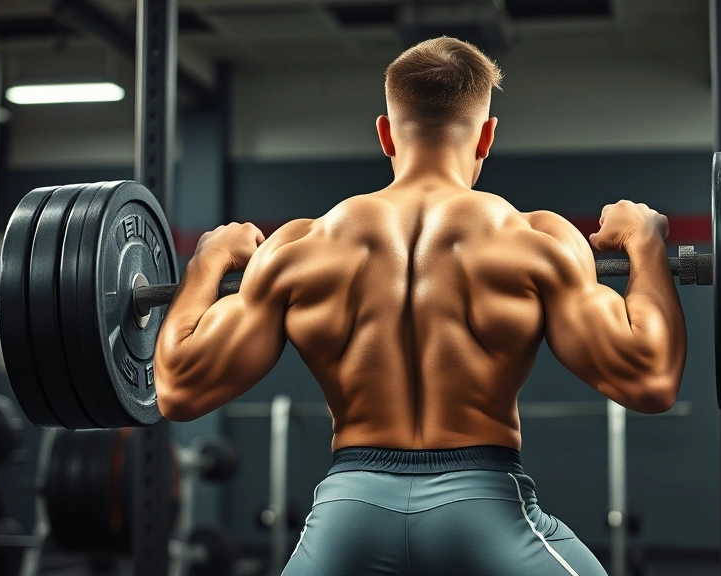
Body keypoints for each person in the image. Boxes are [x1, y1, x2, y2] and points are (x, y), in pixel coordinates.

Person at [156, 36, 686, 576]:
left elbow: (176, 388)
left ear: (385, 134)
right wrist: (644, 243)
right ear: (487, 137)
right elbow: (649, 379)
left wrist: (208, 259)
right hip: (484, 513)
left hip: (348, 518)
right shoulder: (537, 240)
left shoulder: (299, 248)